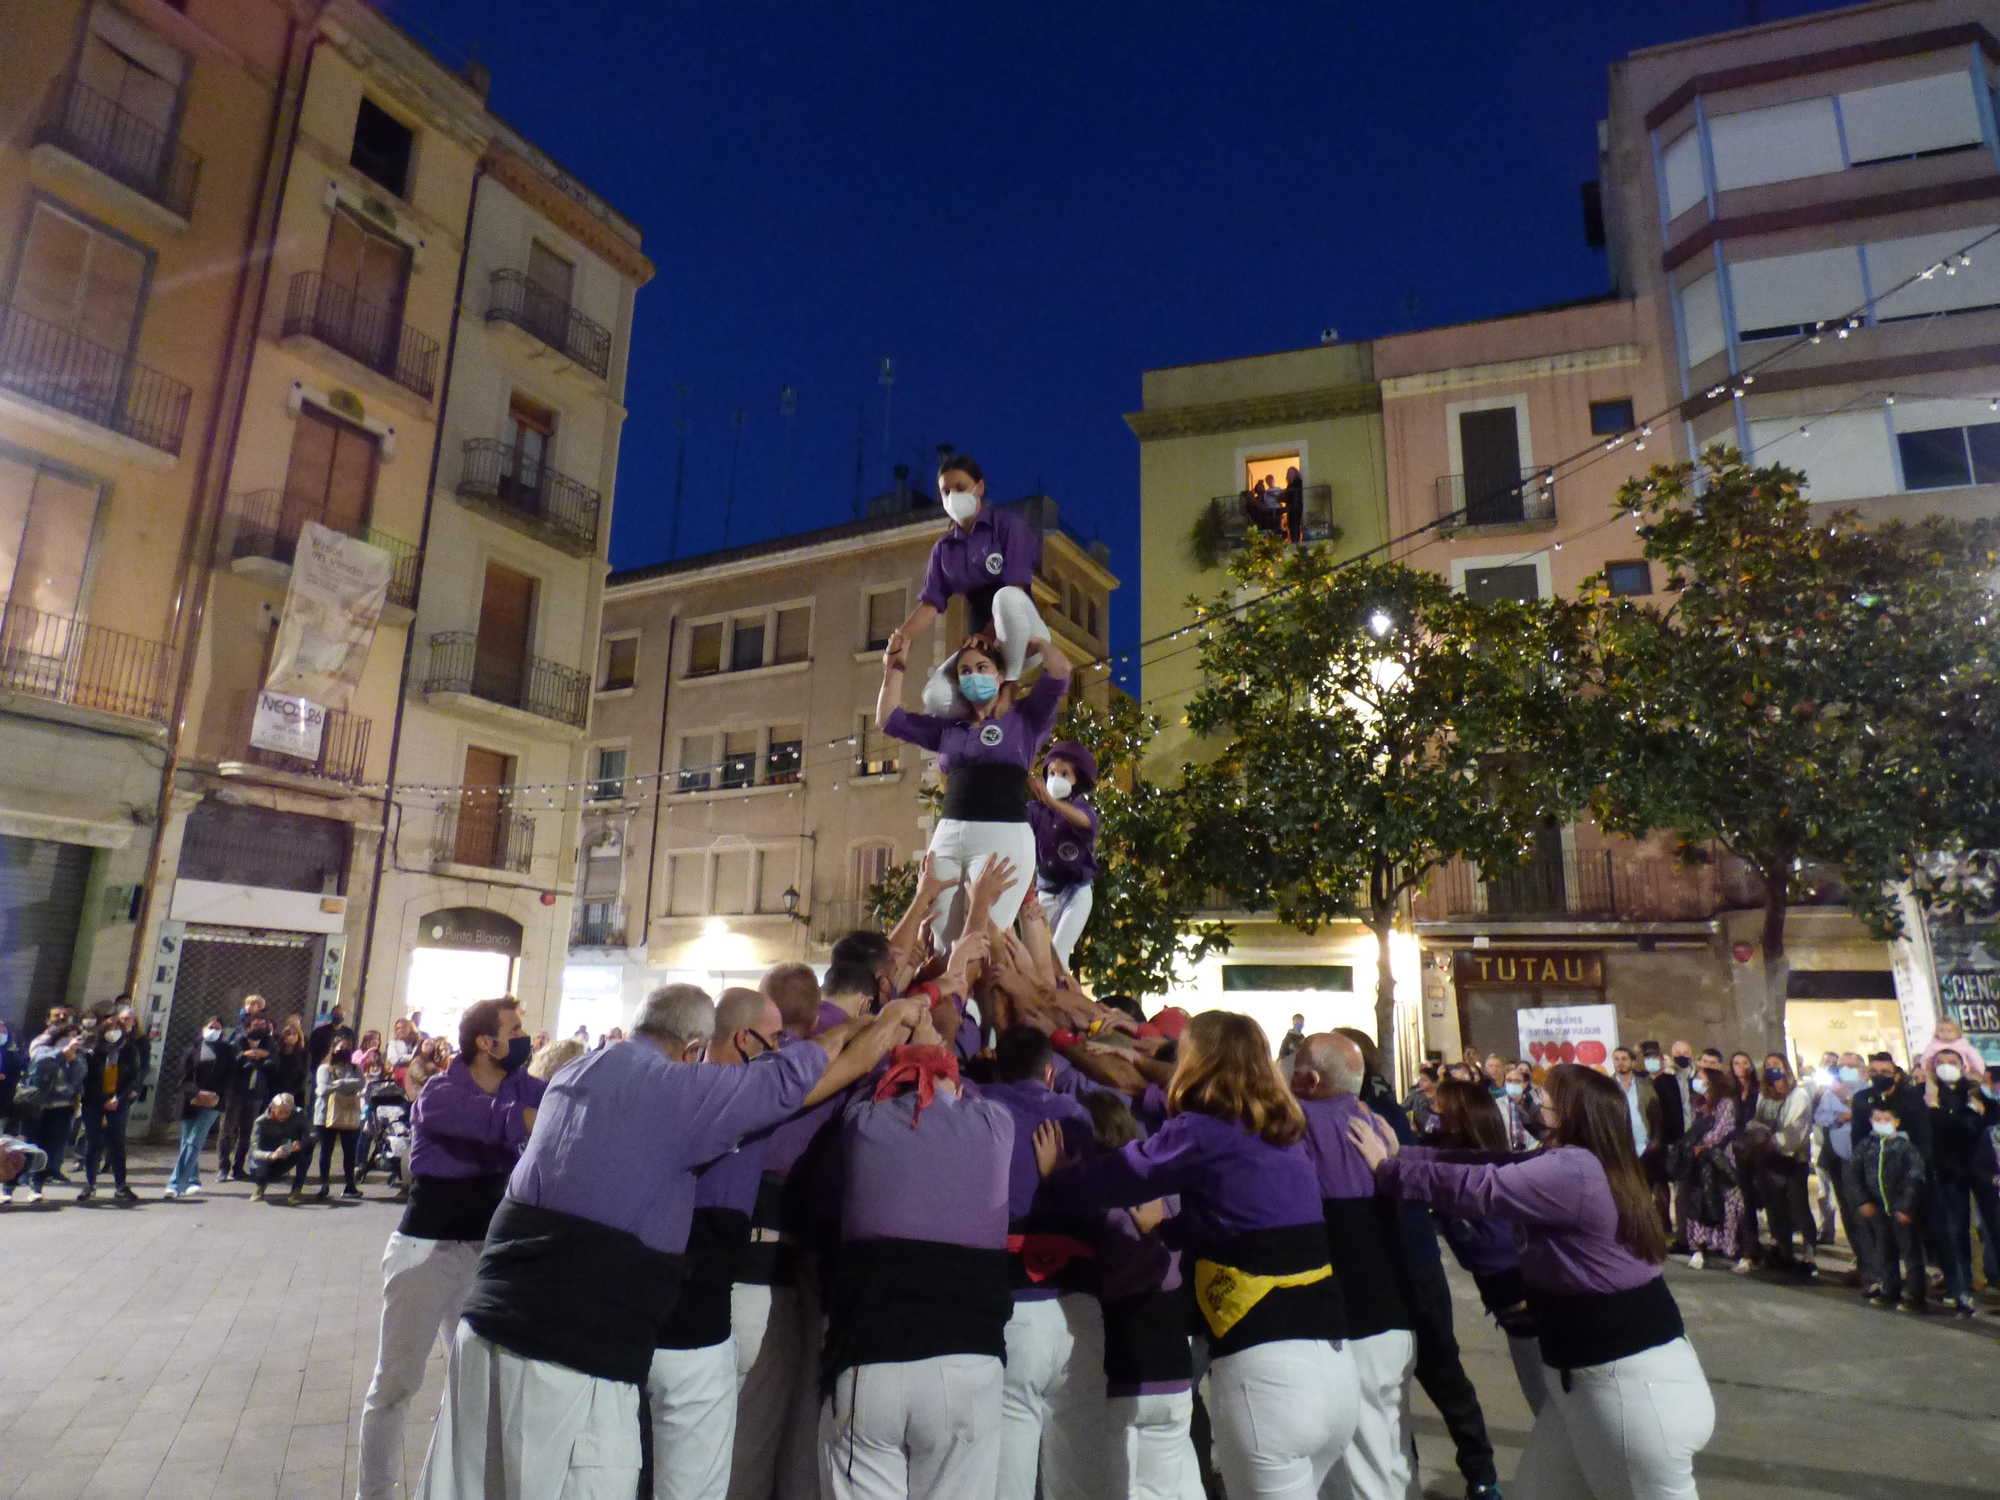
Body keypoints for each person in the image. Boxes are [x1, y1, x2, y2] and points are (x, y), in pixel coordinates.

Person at [416, 984, 920, 1500]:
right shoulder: (683, 1092)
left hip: (485, 1332)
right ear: (692, 1051)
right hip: (570, 1352)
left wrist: (856, 1024)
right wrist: (893, 1017)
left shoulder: (575, 1073)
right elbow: (806, 1073)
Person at [1034, 1010, 1359, 1500]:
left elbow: (1125, 1175)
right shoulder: (1282, 1134)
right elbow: (1234, 1217)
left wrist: (1061, 1176)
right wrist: (1169, 1230)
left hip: (1268, 1374)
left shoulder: (1204, 1130)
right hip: (1336, 1369)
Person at [1351, 1063, 1714, 1499]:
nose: (1530, 1104)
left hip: (1632, 1390)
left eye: (1543, 1100)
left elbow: (1483, 1187)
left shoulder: (1575, 1169)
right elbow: (1491, 1161)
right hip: (1586, 1383)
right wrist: (1403, 1155)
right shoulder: (1578, 1161)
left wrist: (1390, 1171)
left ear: (1574, 1114)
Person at [818, 1014, 1014, 1500]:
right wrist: (938, 1049)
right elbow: (968, 1095)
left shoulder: (861, 1123)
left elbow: (861, 1089)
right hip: (968, 1362)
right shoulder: (995, 1125)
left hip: (872, 1361)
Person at [357, 998, 545, 1500]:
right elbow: (499, 1120)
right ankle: (374, 1495)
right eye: (516, 1029)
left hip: (485, 1257)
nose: (525, 1037)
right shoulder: (440, 1092)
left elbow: (557, 1103)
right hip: (426, 1254)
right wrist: (536, 1117)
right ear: (486, 1043)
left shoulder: (521, 1086)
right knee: (396, 1384)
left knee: (475, 1388)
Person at [646, 986, 814, 1500]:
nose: (780, 1050)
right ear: (744, 1039)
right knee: (706, 1473)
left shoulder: (664, 1089)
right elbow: (840, 1062)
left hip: (640, 1309)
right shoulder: (750, 1099)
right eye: (775, 1039)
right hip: (704, 1320)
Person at [1338, 1029, 1499, 1500]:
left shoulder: (1368, 1115)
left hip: (1400, 1262)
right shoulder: (1385, 1110)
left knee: (1427, 1376)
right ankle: (1476, 1474)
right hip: (1412, 1258)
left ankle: (1476, 1474)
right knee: (1426, 1378)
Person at [878, 624, 1070, 947]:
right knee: (942, 940)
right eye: (965, 671)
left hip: (1003, 834)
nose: (973, 676)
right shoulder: (950, 728)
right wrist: (893, 666)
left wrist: (1032, 640)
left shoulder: (1025, 718)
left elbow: (1061, 670)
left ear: (1000, 676)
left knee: (987, 938)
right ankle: (950, 997)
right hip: (950, 834)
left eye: (982, 668)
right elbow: (889, 720)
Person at [1289, 1033, 1420, 1500]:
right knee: (1389, 1453)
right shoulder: (1375, 1121)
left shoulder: (1303, 1122)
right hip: (1394, 1320)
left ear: (1310, 1078)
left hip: (1356, 1322)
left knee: (1364, 1468)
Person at [981, 1024, 1105, 1500]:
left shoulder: (984, 1107)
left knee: (1008, 1475)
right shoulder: (1076, 1116)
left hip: (1016, 1309)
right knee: (1077, 1477)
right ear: (1050, 1073)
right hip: (1079, 1311)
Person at [1076, 1089, 1198, 1500]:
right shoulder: (1170, 1188)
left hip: (1127, 1358)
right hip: (1174, 1358)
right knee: (1181, 1482)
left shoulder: (1096, 1198)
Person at [887, 454, 1049, 717]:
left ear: (980, 488)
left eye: (960, 488)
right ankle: (974, 732)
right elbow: (930, 603)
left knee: (1005, 598)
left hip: (1022, 633)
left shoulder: (1007, 526)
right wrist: (900, 638)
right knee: (936, 696)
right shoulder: (945, 548)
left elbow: (1017, 588)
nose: (952, 496)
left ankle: (1008, 686)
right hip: (982, 645)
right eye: (945, 491)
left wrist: (986, 636)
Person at [1428, 1079, 1546, 1414]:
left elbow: (1488, 1248)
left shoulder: (1462, 1162)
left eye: (1439, 1106)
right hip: (1513, 1301)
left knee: (1550, 1406)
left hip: (1521, 1299)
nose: (1431, 1112)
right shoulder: (1480, 1155)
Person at [1925, 1052, 1990, 1316]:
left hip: (1974, 1169)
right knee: (1951, 1232)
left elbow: (1969, 1127)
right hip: (1944, 1172)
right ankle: (1958, 1287)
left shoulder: (1972, 1093)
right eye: (1940, 1063)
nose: (1946, 1068)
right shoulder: (1927, 1092)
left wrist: (1936, 1110)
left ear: (1963, 1067)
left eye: (1952, 1063)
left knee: (1975, 1230)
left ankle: (1971, 1282)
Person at [1027, 741, 1100, 970]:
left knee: (1058, 956)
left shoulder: (1083, 810)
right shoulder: (1036, 811)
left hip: (1077, 892)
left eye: (1064, 774)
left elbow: (1087, 824)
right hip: (1046, 892)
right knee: (1037, 960)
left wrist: (1052, 802)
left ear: (1078, 780)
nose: (1056, 778)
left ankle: (1063, 999)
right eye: (1052, 772)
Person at [1853, 1098, 1927, 1312]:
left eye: (1887, 1119)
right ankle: (1889, 1289)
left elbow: (1915, 1178)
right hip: (1877, 1208)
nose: (1882, 1122)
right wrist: (1863, 1200)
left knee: (1910, 1252)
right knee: (1884, 1250)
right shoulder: (1865, 1146)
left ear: (1897, 1122)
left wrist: (1906, 1206)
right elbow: (1854, 1174)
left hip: (1899, 1209)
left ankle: (1915, 1294)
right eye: (1877, 1119)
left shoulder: (1905, 1147)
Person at [1681, 1062, 1750, 1272]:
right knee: (1700, 1203)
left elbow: (1721, 1131)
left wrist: (1701, 1145)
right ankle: (1699, 1249)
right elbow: (1694, 1129)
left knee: (1732, 1204)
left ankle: (1739, 1252)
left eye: (1701, 1077)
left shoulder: (1726, 1103)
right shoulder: (1698, 1104)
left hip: (1721, 1161)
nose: (1697, 1081)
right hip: (1700, 1162)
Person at [1755, 1055, 1816, 1273]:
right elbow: (1758, 1122)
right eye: (1768, 1066)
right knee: (1775, 1207)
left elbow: (1797, 1128)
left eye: (1777, 1066)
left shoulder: (1798, 1094)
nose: (1773, 1070)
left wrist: (1773, 1140)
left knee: (1799, 1206)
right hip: (1769, 1159)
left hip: (1793, 1159)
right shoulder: (1763, 1096)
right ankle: (1783, 1251)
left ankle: (1809, 1255)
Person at [78, 1009, 143, 1203]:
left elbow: (133, 1077)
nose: (113, 1031)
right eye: (109, 1028)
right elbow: (87, 1079)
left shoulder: (129, 1050)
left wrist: (118, 1098)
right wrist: (101, 1099)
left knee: (117, 1143)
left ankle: (121, 1185)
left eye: (117, 1028)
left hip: (118, 1102)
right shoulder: (93, 1050)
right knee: (93, 1143)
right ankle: (90, 1184)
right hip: (93, 1102)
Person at [165, 1018, 234, 1199]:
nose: (213, 1030)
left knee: (195, 1140)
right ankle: (193, 1180)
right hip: (191, 1100)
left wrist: (215, 1094)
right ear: (203, 1029)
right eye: (210, 1027)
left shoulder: (227, 1051)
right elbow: (183, 1078)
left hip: (213, 1102)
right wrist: (197, 1092)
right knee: (187, 1140)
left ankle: (175, 1184)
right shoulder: (191, 1051)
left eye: (218, 1028)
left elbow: (230, 1077)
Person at [19, 1027, 86, 1199]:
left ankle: (37, 1186)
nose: (72, 1042)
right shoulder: (44, 1050)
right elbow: (39, 1063)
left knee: (50, 1147)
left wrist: (72, 1059)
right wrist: (61, 1053)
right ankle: (10, 1185)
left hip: (62, 1108)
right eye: (68, 1037)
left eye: (74, 1038)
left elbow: (79, 1076)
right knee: (30, 1144)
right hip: (37, 1106)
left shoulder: (78, 1056)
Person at [1813, 1053, 1864, 1277]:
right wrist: (1840, 1117)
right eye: (1843, 1066)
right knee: (1846, 1207)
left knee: (1861, 1208)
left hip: (1861, 1157)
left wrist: (1851, 1113)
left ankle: (1872, 1261)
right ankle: (1860, 1257)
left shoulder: (1866, 1090)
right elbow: (1821, 1118)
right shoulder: (1831, 1092)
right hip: (1836, 1154)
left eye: (1852, 1066)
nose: (1847, 1069)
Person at [219, 1014, 277, 1182]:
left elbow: (274, 1066)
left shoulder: (270, 1044)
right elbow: (230, 1064)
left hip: (256, 1094)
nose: (260, 1027)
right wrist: (246, 1055)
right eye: (256, 1024)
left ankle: (238, 1167)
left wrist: (264, 1058)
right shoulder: (239, 1041)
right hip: (235, 1092)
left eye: (263, 1024)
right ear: (248, 1026)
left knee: (247, 1133)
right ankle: (223, 1167)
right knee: (228, 1130)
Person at [313, 1039, 366, 1201]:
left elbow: (361, 1084)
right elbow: (323, 1090)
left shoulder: (356, 1068)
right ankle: (324, 1185)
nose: (344, 1050)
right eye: (341, 1047)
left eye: (347, 1047)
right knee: (326, 1151)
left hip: (348, 1114)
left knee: (350, 1152)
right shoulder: (324, 1068)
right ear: (333, 1048)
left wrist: (338, 1083)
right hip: (324, 1116)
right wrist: (347, 1086)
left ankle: (350, 1186)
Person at [250, 1093, 313, 1202]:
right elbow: (254, 1151)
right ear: (273, 1109)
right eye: (280, 1112)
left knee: (307, 1150)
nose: (284, 1115)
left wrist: (301, 1143)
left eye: (287, 1112)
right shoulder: (261, 1122)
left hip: (288, 1153)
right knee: (260, 1170)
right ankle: (260, 1186)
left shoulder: (298, 1116)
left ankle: (296, 1190)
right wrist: (272, 1155)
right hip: (266, 1158)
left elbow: (313, 1133)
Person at [1610, 1047, 1657, 1160]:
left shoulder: (1646, 1086)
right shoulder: (1606, 1086)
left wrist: (1654, 1143)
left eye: (1624, 1059)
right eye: (1616, 1059)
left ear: (1633, 1063)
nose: (1620, 1063)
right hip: (1618, 1150)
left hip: (1644, 1149)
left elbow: (1656, 1116)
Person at [1919, 1019, 1988, 1080]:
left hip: (1962, 1076)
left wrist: (1978, 1073)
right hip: (1938, 1077)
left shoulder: (1964, 1046)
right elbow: (1925, 1060)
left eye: (1949, 1031)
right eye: (1941, 1030)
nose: (1945, 1033)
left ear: (1957, 1032)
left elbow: (1976, 1060)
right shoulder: (1932, 1047)